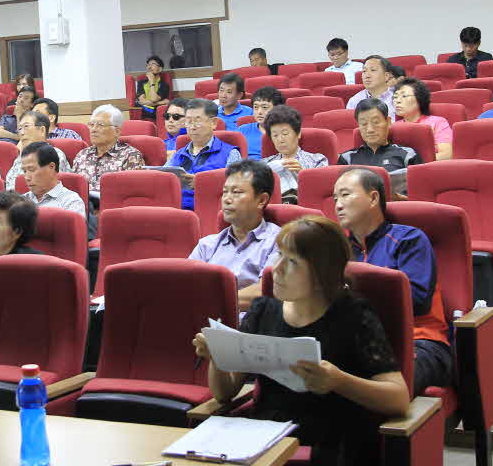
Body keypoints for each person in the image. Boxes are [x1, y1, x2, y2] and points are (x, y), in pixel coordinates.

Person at [192, 217, 409, 466]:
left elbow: (398, 399)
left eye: (292, 262)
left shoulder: (354, 316)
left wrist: (339, 381)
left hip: (332, 441)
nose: (277, 269)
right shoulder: (263, 311)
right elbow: (224, 394)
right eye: (279, 255)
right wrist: (217, 357)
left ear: (322, 273)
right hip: (264, 439)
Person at [333, 169, 453, 396]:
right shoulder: (339, 250)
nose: (338, 205)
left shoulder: (409, 239)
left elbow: (417, 302)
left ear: (373, 198)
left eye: (345, 195)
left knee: (375, 384)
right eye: (335, 198)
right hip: (362, 342)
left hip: (419, 341)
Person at [188, 160, 281, 306]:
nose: (226, 199)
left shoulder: (279, 241)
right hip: (206, 318)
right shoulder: (207, 245)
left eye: (236, 192)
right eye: (225, 192)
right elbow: (187, 286)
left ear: (262, 200)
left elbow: (268, 290)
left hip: (252, 320)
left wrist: (211, 302)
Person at [167, 98, 241, 210]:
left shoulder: (230, 153)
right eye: (189, 121)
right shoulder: (178, 155)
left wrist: (204, 184)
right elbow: (162, 179)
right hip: (177, 211)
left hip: (211, 211)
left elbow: (237, 189)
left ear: (213, 123)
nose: (192, 127)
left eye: (197, 121)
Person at [71, 104, 146, 194]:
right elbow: (72, 188)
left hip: (114, 202)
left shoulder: (130, 156)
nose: (93, 129)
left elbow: (133, 193)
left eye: (100, 125)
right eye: (91, 124)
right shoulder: (82, 155)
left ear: (117, 131)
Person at [339, 99, 422, 175]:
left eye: (376, 122)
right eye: (364, 124)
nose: (370, 130)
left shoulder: (408, 155)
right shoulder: (347, 158)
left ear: (388, 122)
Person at [261, 106, 327, 197]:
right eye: (275, 135)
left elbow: (323, 192)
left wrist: (302, 174)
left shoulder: (317, 160)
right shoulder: (264, 164)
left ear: (298, 133)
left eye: (285, 134)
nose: (280, 140)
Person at [4, 111, 70, 189]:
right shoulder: (20, 158)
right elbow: (9, 187)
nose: (21, 133)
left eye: (26, 126)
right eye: (20, 128)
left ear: (42, 130)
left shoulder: (56, 155)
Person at [391, 79, 452, 160]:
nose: (397, 101)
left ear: (420, 99)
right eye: (395, 97)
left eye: (404, 96)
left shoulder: (437, 122)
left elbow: (447, 154)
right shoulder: (393, 127)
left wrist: (415, 163)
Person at [20, 142, 86, 217]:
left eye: (32, 170)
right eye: (24, 171)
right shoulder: (19, 202)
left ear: (51, 167)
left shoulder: (71, 202)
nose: (27, 177)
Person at [238, 87, 284, 160]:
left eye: (264, 107)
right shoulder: (242, 130)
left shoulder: (285, 132)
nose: (259, 112)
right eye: (256, 107)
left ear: (278, 109)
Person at [134, 55, 170, 120]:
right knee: (139, 105)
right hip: (145, 108)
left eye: (153, 64)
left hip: (154, 111)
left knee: (155, 110)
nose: (149, 67)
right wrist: (160, 102)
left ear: (160, 69)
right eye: (148, 65)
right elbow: (142, 101)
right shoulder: (141, 82)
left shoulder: (164, 85)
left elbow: (154, 99)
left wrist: (152, 82)